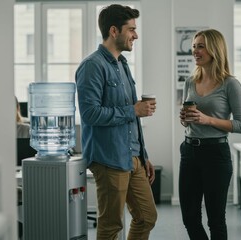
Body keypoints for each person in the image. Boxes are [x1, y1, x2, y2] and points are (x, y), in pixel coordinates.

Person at [75, 4, 157, 239]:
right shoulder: (92, 66)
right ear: (113, 31)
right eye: (131, 29)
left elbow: (132, 117)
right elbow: (90, 114)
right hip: (108, 157)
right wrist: (133, 110)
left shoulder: (122, 64)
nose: (136, 35)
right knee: (111, 225)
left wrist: (143, 154)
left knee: (147, 216)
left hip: (133, 156)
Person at [179, 29, 241, 240]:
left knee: (215, 219)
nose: (195, 51)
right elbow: (186, 120)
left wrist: (208, 119)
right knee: (190, 217)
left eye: (200, 46)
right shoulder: (190, 82)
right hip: (189, 151)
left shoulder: (230, 84)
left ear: (214, 50)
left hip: (215, 154)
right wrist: (184, 118)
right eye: (194, 46)